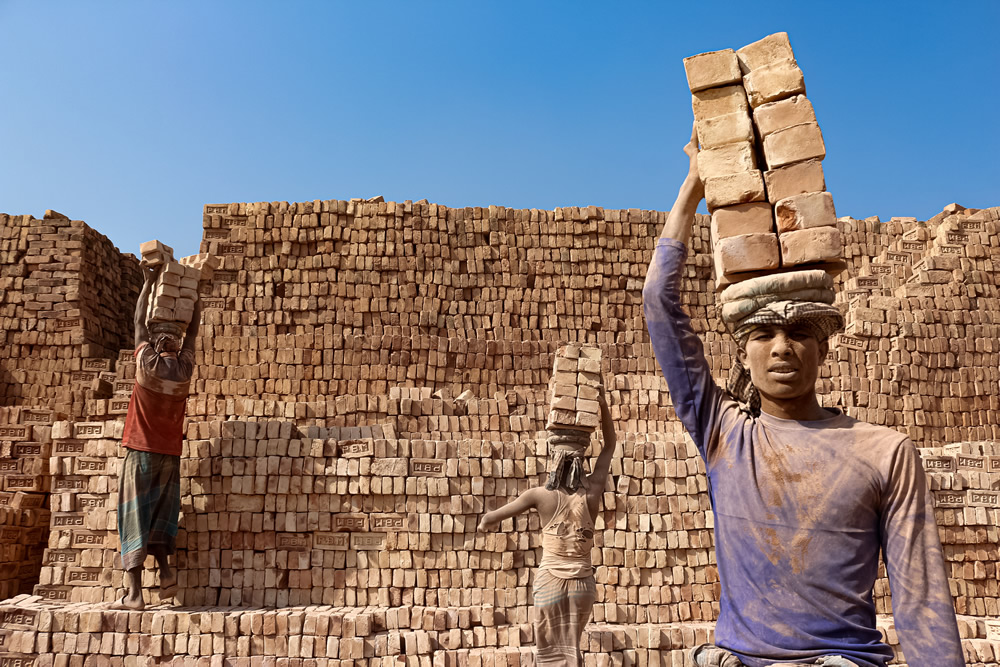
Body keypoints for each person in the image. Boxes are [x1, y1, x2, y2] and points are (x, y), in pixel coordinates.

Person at [641, 126, 963, 667]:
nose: (782, 348)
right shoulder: (724, 433)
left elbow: (922, 597)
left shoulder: (885, 452)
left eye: (799, 334)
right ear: (743, 353)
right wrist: (692, 189)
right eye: (763, 334)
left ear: (824, 349)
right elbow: (659, 306)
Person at [478, 389, 617, 667]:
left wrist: (485, 524)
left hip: (550, 582)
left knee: (549, 654)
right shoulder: (593, 488)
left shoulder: (539, 495)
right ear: (580, 460)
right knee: (570, 648)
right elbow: (610, 445)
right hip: (582, 584)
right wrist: (602, 405)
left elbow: (492, 517)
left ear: (554, 462)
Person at [113, 262, 200, 610]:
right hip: (170, 454)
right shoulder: (184, 371)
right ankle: (165, 574)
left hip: (141, 450)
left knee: (133, 514)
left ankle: (134, 595)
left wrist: (148, 283)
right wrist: (195, 298)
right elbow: (192, 334)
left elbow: (136, 324)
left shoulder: (146, 364)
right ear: (176, 345)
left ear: (156, 342)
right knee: (163, 513)